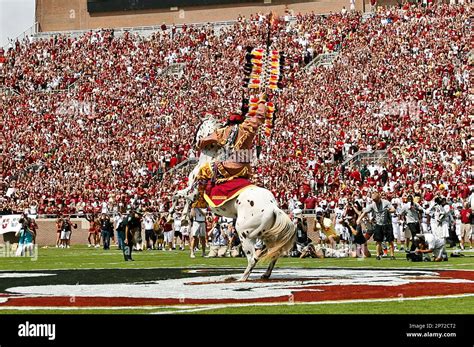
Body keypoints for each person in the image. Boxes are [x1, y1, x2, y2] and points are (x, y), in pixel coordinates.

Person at [189, 96, 268, 208]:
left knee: (203, 170)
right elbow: (260, 116)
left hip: (229, 168)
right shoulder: (247, 128)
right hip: (245, 169)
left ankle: (201, 202)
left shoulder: (223, 132)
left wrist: (199, 143)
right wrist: (262, 101)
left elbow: (202, 142)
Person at [357, 192, 396, 260]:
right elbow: (365, 212)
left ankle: (392, 255)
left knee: (390, 240)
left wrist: (388, 211)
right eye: (374, 200)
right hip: (378, 224)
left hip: (387, 224)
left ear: (379, 198)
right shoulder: (373, 205)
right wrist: (359, 219)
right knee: (378, 240)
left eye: (376, 200)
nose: (376, 202)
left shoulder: (386, 202)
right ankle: (378, 255)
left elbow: (393, 210)